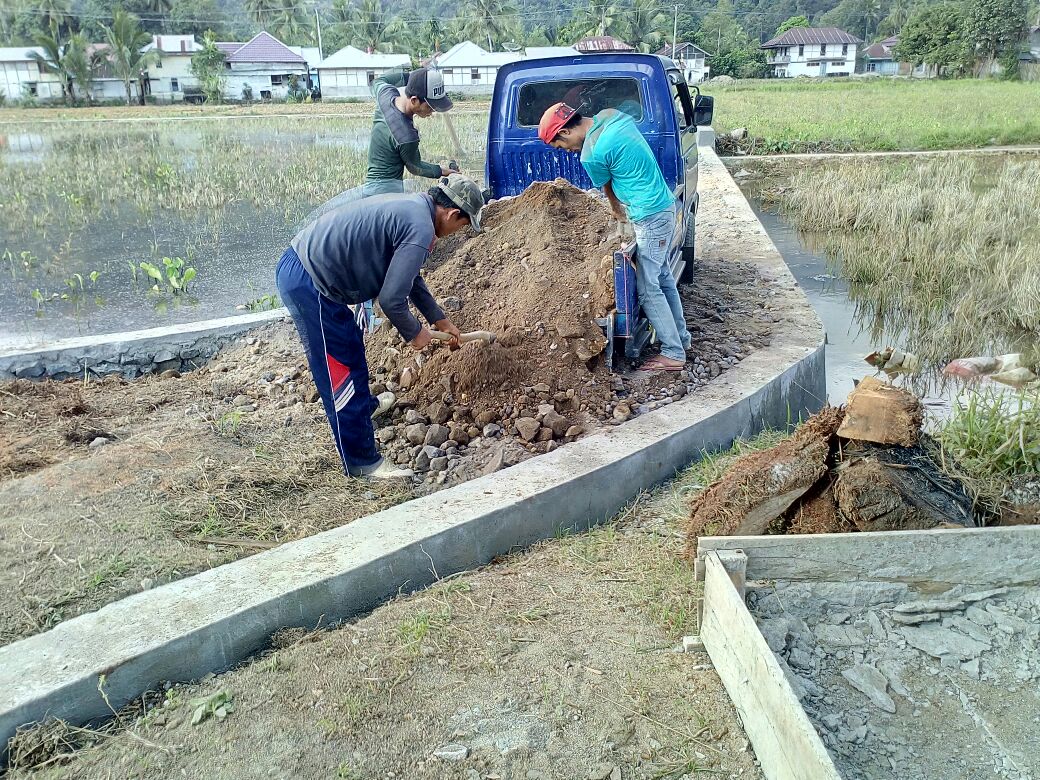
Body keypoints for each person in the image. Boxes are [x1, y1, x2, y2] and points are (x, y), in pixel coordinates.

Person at [276, 173, 485, 480]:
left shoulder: (416, 208)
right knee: (340, 369)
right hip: (310, 281)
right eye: (463, 226)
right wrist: (416, 333)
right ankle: (361, 462)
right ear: (454, 214)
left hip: (306, 269)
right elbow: (391, 299)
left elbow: (410, 277)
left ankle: (364, 408)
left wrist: (438, 318)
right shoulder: (420, 227)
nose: (456, 233)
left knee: (349, 347)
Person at [537, 102, 692, 372]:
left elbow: (608, 190)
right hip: (664, 206)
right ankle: (682, 339)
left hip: (649, 215)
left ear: (564, 132)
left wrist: (619, 216)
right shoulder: (611, 117)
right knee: (663, 277)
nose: (569, 152)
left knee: (647, 288)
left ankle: (673, 354)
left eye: (562, 146)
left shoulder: (591, 154)